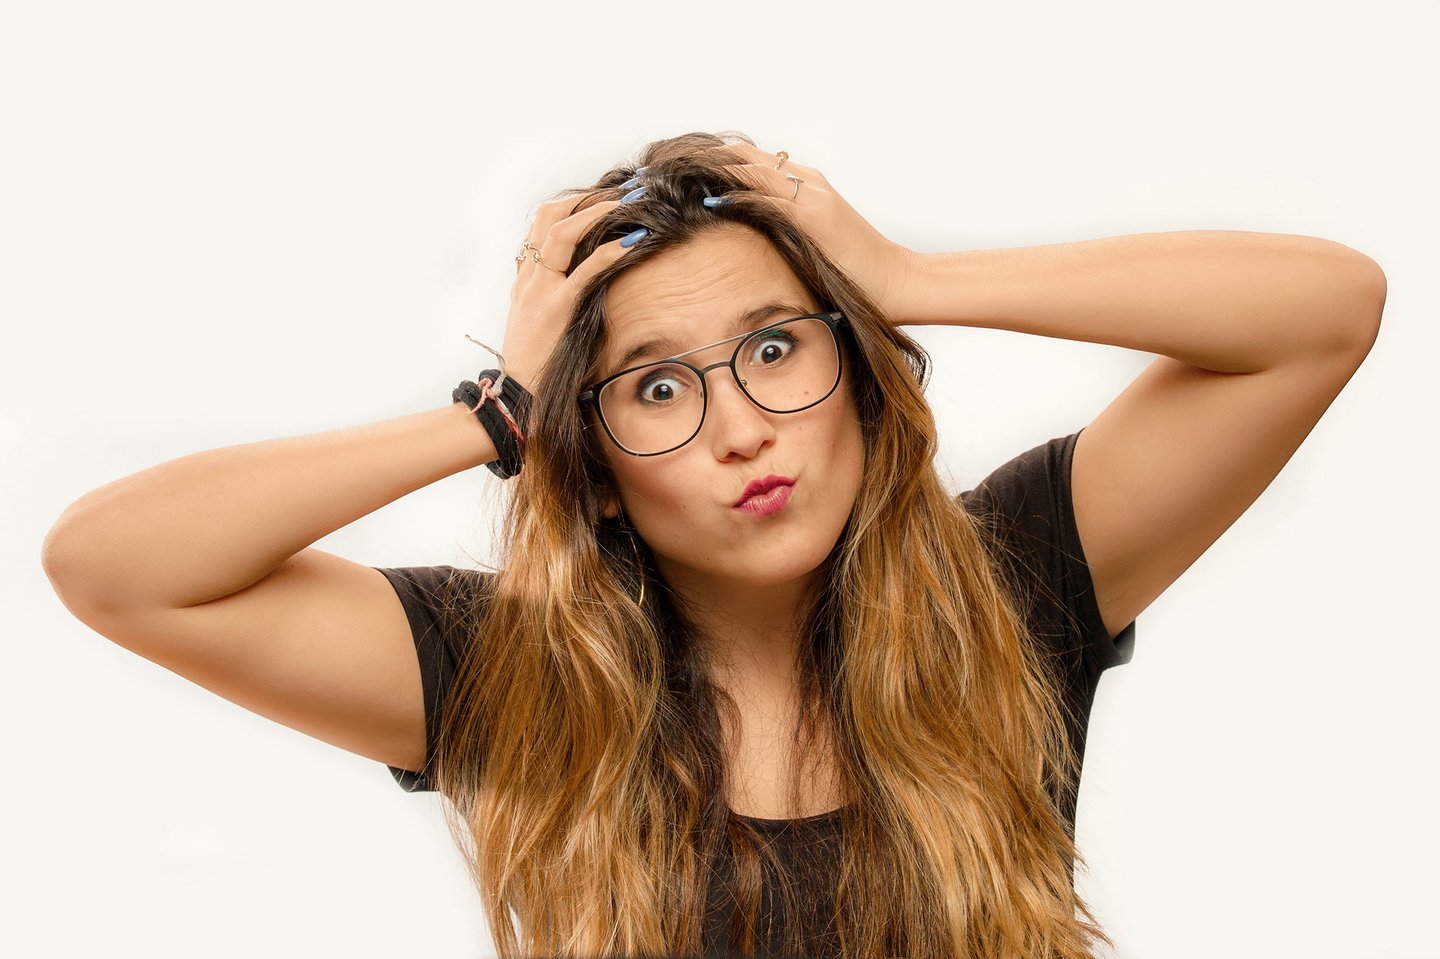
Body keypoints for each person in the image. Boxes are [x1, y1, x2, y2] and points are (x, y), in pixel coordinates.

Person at [40, 131, 1385, 959]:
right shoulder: (518, 673)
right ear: (595, 469)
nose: (742, 429)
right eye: (658, 388)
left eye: (777, 347)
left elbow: (1324, 311)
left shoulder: (1010, 581)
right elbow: (116, 566)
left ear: (861, 384)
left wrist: (909, 281)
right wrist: (494, 414)